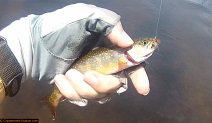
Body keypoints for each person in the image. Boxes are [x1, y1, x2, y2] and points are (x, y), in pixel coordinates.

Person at [0, 3, 150, 106]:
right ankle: (53, 99)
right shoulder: (125, 53)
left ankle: (55, 98)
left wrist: (21, 48)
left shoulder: (126, 57)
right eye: (144, 43)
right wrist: (29, 41)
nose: (150, 45)